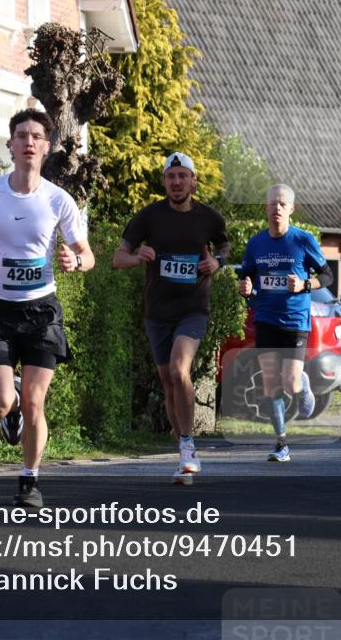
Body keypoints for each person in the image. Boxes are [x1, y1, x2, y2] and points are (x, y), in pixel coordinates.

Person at [0, 109, 95, 508]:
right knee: (0, 404)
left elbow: (87, 254)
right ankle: (11, 397)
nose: (29, 142)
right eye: (21, 135)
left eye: (36, 136)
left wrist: (76, 262)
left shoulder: (58, 200)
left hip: (42, 313)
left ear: (47, 147)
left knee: (37, 403)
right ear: (11, 145)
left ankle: (29, 480)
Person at [113, 152, 229, 485]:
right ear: (164, 181)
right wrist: (137, 257)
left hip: (193, 309)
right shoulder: (148, 217)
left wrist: (217, 264)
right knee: (168, 383)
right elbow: (117, 258)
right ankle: (184, 450)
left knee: (180, 369)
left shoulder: (209, 218)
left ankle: (189, 445)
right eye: (170, 177)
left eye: (182, 176)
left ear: (193, 180)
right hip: (158, 312)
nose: (176, 182)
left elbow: (224, 247)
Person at [238, 184, 333, 462]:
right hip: (265, 318)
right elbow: (247, 276)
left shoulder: (302, 240)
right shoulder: (256, 243)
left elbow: (327, 276)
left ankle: (301, 386)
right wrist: (244, 286)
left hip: (294, 320)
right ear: (266, 208)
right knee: (270, 384)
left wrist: (305, 283)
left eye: (282, 204)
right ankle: (281, 443)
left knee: (290, 384)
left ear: (291, 209)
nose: (276, 209)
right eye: (272, 204)